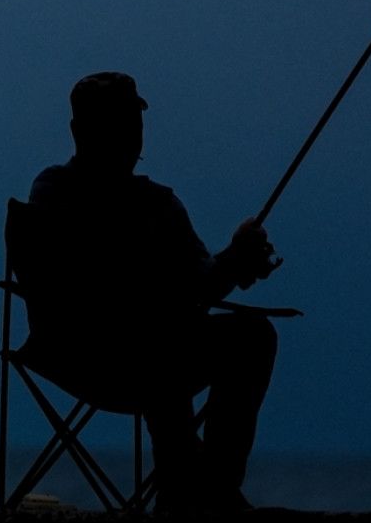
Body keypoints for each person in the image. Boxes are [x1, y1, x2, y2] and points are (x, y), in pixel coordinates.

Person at [18, 72, 281, 515]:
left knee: (250, 335)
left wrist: (236, 261)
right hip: (84, 351)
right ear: (81, 131)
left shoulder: (160, 203)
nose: (132, 134)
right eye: (118, 122)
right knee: (158, 335)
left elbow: (201, 281)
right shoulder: (55, 191)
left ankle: (205, 488)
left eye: (134, 122)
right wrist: (224, 268)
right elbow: (104, 283)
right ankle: (200, 495)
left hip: (155, 353)